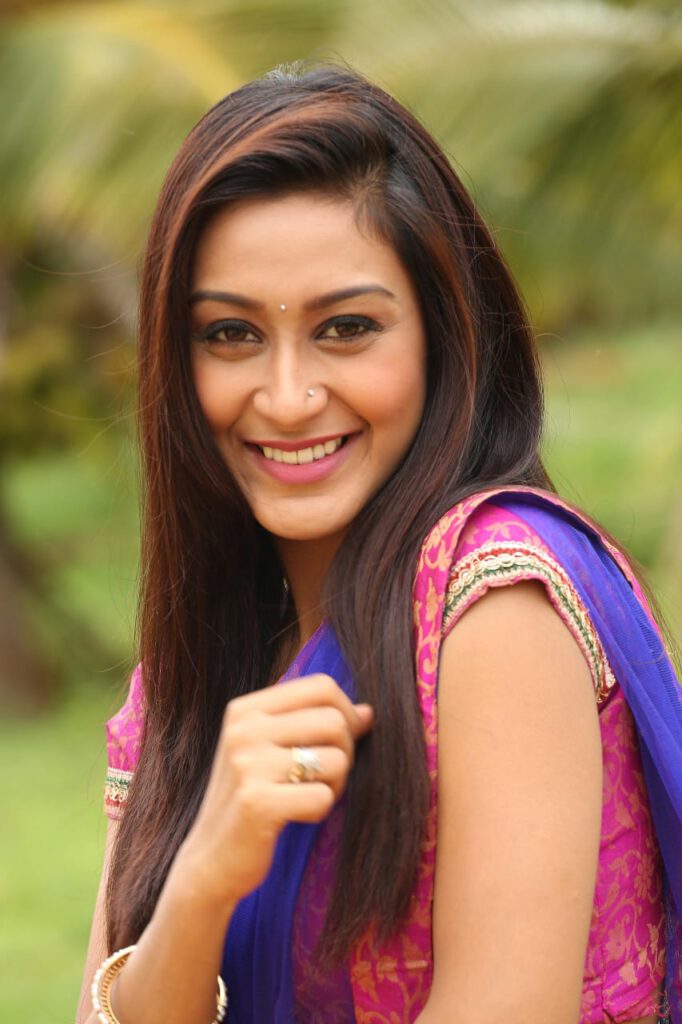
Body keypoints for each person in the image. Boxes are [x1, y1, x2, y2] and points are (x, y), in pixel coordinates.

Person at [76, 65, 682, 1024]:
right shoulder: (191, 673)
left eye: (347, 328)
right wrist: (203, 877)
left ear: (441, 334)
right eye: (230, 334)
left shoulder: (492, 606)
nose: (287, 398)